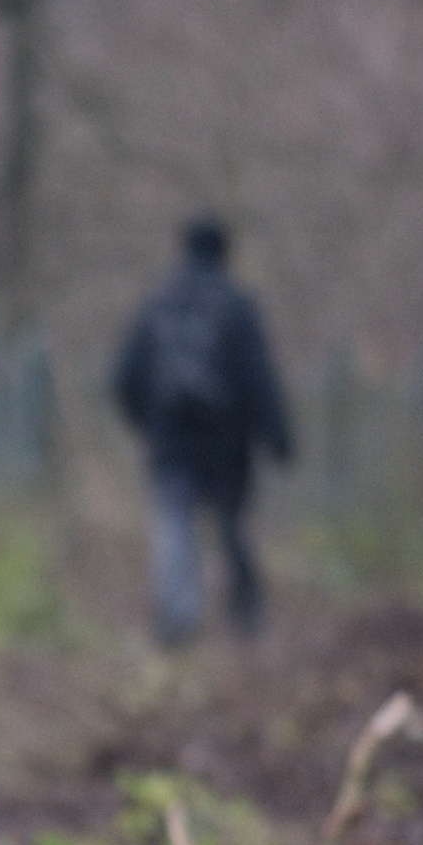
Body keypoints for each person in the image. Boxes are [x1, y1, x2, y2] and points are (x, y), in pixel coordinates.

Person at [107, 217, 295, 642]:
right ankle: (245, 615)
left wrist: (148, 423)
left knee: (175, 527)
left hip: (171, 441)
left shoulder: (158, 304)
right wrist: (278, 437)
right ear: (224, 253)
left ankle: (178, 619)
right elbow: (259, 378)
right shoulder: (237, 306)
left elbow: (124, 378)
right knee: (233, 527)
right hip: (228, 446)